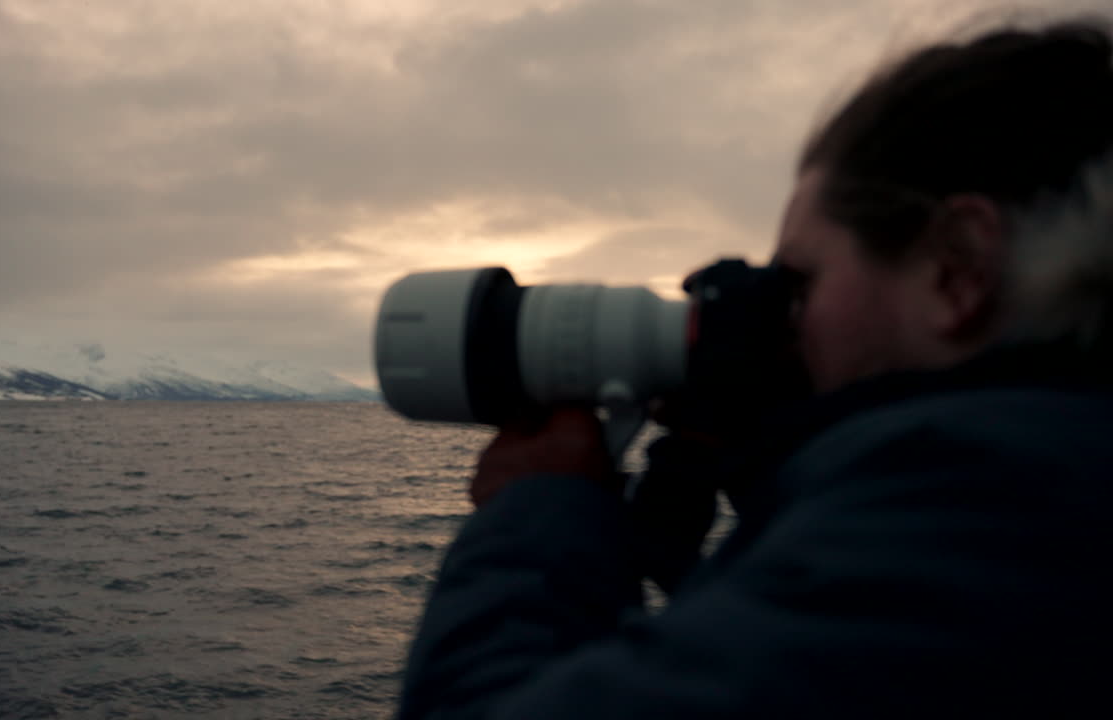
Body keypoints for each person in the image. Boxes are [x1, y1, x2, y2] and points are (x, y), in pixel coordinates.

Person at [397, 15, 1113, 720]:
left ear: (956, 269)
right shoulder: (1047, 481)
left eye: (800, 282)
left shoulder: (979, 514)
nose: (778, 322)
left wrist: (538, 511)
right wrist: (766, 456)